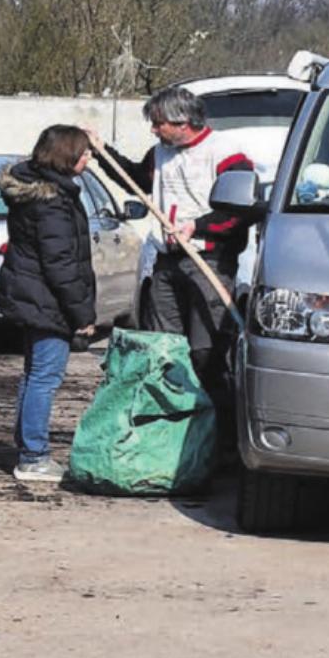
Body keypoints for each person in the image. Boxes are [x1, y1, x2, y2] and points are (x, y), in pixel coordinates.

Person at [85, 87, 257, 447]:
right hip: (166, 261)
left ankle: (222, 439)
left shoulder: (227, 155)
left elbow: (243, 211)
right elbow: (134, 178)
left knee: (207, 351)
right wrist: (103, 153)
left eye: (158, 123)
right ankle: (173, 431)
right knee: (166, 346)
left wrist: (200, 227)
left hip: (208, 260)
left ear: (183, 123)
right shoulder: (160, 153)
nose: (153, 130)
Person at [0, 126, 99, 483]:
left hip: (31, 295)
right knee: (44, 377)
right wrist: (82, 314)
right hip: (45, 299)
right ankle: (33, 456)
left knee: (34, 373)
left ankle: (28, 448)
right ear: (67, 156)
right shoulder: (52, 201)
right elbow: (61, 264)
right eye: (85, 153)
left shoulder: (38, 189)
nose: (90, 158)